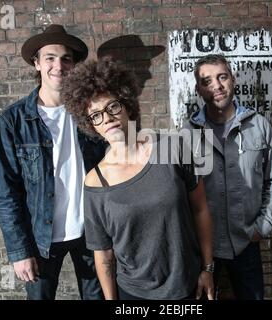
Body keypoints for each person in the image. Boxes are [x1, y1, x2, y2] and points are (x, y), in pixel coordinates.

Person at [62, 57, 215, 300]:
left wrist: (208, 269)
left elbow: (200, 209)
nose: (107, 118)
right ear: (91, 125)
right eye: (96, 115)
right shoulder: (95, 181)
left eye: (112, 107)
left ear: (127, 105)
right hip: (134, 294)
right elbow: (103, 254)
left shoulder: (172, 147)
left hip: (188, 287)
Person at [0, 24, 106, 300]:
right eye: (50, 58)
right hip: (40, 238)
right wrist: (20, 252)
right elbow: (6, 192)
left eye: (66, 58)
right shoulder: (14, 120)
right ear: (37, 63)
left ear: (74, 65)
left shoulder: (91, 111)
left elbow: (116, 163)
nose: (59, 65)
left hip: (91, 231)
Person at [185, 54, 272, 300]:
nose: (217, 86)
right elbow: (181, 192)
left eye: (222, 77)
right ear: (199, 89)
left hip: (246, 242)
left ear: (233, 78)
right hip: (204, 248)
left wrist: (262, 227)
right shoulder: (187, 134)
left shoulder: (259, 126)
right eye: (207, 81)